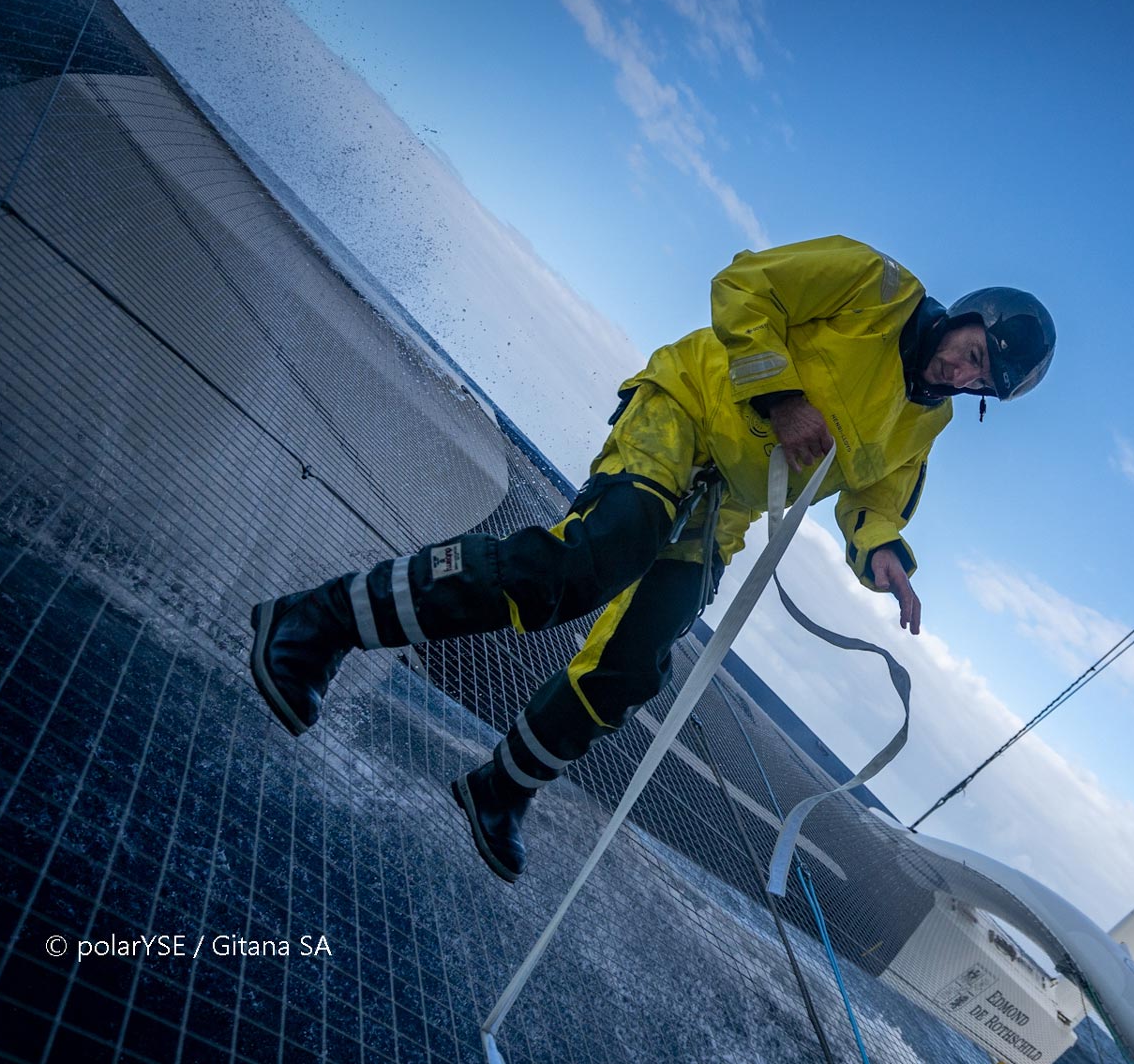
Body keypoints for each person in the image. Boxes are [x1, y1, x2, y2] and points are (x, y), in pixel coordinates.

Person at [246, 235, 1056, 882]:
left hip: (724, 511)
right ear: (971, 318)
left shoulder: (930, 420)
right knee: (587, 565)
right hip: (686, 412)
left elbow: (876, 498)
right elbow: (746, 286)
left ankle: (499, 789)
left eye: (983, 384)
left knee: (634, 664)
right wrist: (780, 398)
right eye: (975, 356)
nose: (964, 377)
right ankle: (315, 623)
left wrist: (881, 553)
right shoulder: (875, 283)